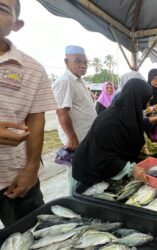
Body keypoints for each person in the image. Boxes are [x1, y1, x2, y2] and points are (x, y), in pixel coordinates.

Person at [0, 0, 57, 227]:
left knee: (32, 235)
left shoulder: (32, 69)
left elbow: (36, 120)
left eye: (2, 9)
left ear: (17, 24)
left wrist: (31, 170)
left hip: (14, 178)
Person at [72, 79, 153, 185]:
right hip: (88, 172)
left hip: (104, 170)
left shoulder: (127, 114)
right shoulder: (111, 121)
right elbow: (100, 156)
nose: (147, 104)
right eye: (146, 99)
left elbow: (126, 137)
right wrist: (131, 169)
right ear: (137, 99)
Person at [52, 45, 97, 151]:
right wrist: (72, 138)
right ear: (66, 62)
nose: (83, 65)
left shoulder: (78, 80)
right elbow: (61, 112)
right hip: (78, 140)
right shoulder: (65, 81)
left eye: (85, 62)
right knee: (77, 167)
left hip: (87, 137)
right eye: (78, 61)